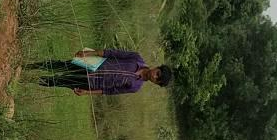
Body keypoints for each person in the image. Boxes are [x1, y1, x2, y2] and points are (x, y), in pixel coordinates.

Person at [24, 48, 172, 97]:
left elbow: (109, 91)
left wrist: (87, 93)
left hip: (91, 83)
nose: (154, 76)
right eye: (158, 73)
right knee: (60, 66)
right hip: (92, 64)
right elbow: (111, 53)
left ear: (155, 83)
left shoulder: (135, 87)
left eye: (157, 79)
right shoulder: (136, 58)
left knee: (60, 81)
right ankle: (27, 67)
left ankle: (26, 80)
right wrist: (89, 53)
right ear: (157, 68)